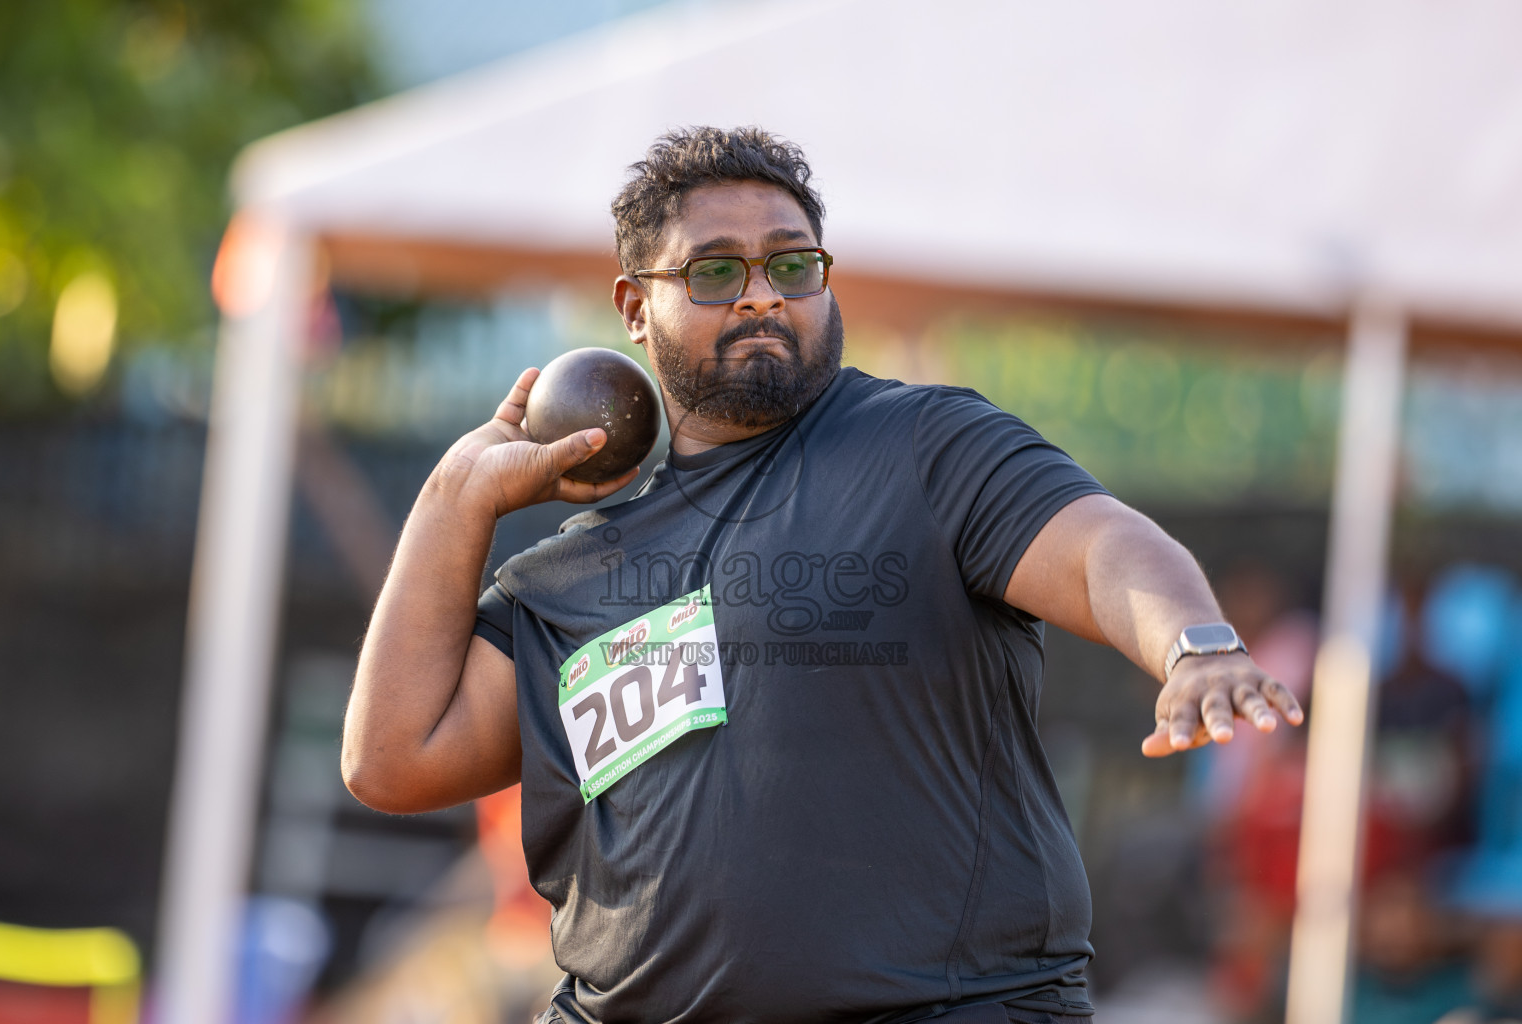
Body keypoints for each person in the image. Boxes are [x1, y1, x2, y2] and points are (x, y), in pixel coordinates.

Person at [341, 126, 1304, 1024]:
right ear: (635, 307)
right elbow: (391, 760)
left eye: (792, 264)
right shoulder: (569, 579)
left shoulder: (924, 447)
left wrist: (1195, 644)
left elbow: (1101, 548)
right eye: (717, 270)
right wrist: (455, 496)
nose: (762, 295)